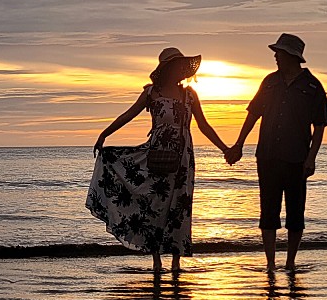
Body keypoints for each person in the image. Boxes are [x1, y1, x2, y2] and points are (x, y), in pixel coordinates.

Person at [87, 47, 234, 275]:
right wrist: (105, 134)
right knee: (154, 205)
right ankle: (156, 261)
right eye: (175, 65)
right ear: (166, 68)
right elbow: (128, 114)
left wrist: (225, 148)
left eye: (180, 65)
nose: (179, 69)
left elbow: (204, 125)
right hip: (156, 154)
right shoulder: (151, 93)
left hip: (183, 158)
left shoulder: (190, 94)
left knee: (179, 207)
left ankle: (176, 262)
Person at [230, 33, 327, 272]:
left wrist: (311, 158)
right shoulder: (269, 81)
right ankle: (270, 264)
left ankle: (290, 262)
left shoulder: (313, 86)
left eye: (279, 52)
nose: (275, 56)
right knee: (268, 212)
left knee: (296, 214)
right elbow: (253, 114)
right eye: (276, 52)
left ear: (292, 56)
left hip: (297, 158)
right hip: (267, 155)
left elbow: (320, 126)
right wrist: (239, 144)